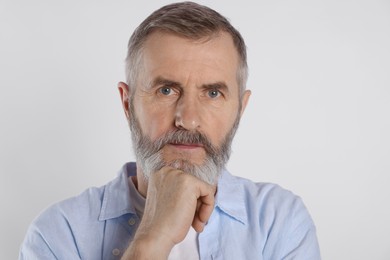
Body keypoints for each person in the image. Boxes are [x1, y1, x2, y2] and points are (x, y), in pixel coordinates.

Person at [19, 2, 321, 259]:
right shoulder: (58, 234)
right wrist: (151, 239)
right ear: (127, 103)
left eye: (213, 93)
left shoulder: (279, 222)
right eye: (166, 90)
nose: (188, 119)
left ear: (240, 109)